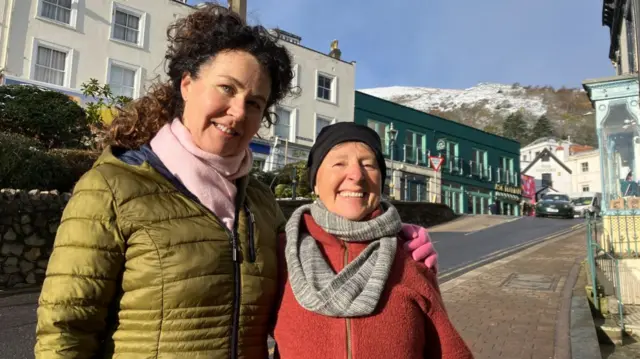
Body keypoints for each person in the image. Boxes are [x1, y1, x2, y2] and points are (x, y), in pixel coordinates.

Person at [34, 5, 438, 358]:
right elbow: (65, 330)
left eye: (255, 103)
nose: (237, 112)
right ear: (187, 84)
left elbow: (324, 257)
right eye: (226, 88)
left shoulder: (259, 202)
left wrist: (397, 238)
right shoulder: (112, 188)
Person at [273, 122, 473, 359]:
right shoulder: (277, 254)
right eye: (339, 163)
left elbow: (447, 350)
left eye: (368, 164)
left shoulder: (411, 256)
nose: (356, 175)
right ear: (315, 181)